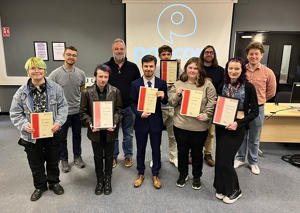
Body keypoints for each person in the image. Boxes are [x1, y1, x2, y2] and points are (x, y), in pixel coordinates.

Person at [10, 57, 68, 201]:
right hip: (32, 136)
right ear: (28, 72)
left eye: (40, 68)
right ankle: (40, 186)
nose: (37, 71)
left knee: (53, 161)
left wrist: (59, 122)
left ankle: (54, 183)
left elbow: (63, 107)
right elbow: (15, 113)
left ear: (45, 70)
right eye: (33, 68)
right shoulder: (21, 93)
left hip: (52, 133)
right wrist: (24, 125)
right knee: (35, 163)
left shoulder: (56, 88)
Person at [214, 57, 258, 204]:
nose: (233, 71)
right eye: (230, 68)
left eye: (236, 69)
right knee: (220, 159)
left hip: (236, 128)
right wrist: (216, 104)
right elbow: (219, 106)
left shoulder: (249, 87)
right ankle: (221, 187)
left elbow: (254, 112)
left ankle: (235, 190)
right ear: (227, 70)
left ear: (242, 70)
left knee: (226, 160)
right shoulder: (222, 85)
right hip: (221, 127)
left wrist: (238, 124)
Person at [169, 57, 216, 190]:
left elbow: (212, 102)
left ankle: (197, 176)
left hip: (199, 127)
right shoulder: (178, 83)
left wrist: (206, 115)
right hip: (181, 125)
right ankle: (183, 174)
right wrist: (177, 95)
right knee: (182, 152)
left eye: (196, 68)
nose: (193, 70)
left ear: (200, 70)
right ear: (186, 68)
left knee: (197, 153)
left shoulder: (207, 84)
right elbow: (171, 103)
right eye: (190, 67)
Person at [234, 41, 276, 175]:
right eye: (251, 54)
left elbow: (271, 92)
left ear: (261, 55)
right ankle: (240, 158)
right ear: (247, 55)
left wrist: (258, 102)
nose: (253, 56)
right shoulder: (241, 71)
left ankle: (253, 162)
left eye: (256, 54)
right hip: (241, 109)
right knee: (241, 135)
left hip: (258, 109)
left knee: (254, 138)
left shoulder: (268, 73)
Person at [80, 64, 123, 195]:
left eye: (105, 76)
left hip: (110, 130)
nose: (103, 79)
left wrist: (115, 122)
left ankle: (108, 180)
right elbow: (83, 112)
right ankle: (100, 180)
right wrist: (90, 123)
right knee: (98, 157)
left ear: (108, 77)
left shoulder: (115, 91)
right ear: (95, 76)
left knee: (109, 156)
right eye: (100, 76)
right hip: (95, 131)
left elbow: (120, 110)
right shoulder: (86, 92)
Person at [130, 55, 168, 189]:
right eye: (146, 66)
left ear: (155, 67)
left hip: (156, 122)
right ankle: (140, 173)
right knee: (140, 149)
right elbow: (133, 103)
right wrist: (139, 113)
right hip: (141, 122)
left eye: (151, 66)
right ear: (142, 67)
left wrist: (164, 96)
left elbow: (165, 100)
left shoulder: (161, 83)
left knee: (156, 149)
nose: (148, 69)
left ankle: (155, 174)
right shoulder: (135, 84)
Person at [49, 46, 86, 172]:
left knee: (77, 136)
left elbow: (82, 91)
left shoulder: (81, 73)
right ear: (64, 55)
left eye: (74, 55)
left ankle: (77, 157)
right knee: (62, 138)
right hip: (62, 113)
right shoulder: (55, 74)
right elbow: (50, 93)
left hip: (77, 111)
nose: (71, 57)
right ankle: (63, 159)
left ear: (76, 57)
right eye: (69, 54)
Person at [105, 38, 141, 168]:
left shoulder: (133, 67)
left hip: (129, 107)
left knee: (128, 134)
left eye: (121, 49)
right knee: (112, 133)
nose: (119, 51)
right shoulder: (105, 67)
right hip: (111, 108)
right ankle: (113, 156)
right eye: (116, 49)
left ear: (125, 50)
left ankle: (128, 156)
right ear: (112, 50)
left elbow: (139, 86)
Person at [152, 45, 182, 168]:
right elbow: (151, 87)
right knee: (156, 135)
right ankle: (156, 158)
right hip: (159, 108)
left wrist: (179, 67)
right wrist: (164, 86)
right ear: (159, 56)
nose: (166, 56)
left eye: (168, 54)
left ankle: (173, 157)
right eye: (163, 54)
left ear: (171, 55)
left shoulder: (177, 68)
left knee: (173, 136)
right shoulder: (156, 69)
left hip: (173, 107)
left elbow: (184, 82)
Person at [199, 45, 224, 167]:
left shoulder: (220, 70)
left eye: (211, 52)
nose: (209, 54)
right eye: (207, 52)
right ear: (203, 54)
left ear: (214, 55)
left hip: (214, 106)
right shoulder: (197, 68)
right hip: (197, 105)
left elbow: (222, 88)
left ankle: (208, 154)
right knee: (196, 131)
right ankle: (193, 153)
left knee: (211, 132)